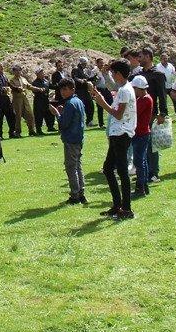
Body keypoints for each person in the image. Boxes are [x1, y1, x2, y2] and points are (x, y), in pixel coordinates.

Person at [91, 60, 135, 220]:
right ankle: (117, 205)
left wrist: (102, 103)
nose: (111, 76)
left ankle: (127, 208)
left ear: (118, 73)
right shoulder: (123, 89)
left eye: (112, 73)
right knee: (109, 168)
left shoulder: (124, 91)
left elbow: (118, 114)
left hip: (122, 134)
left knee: (122, 171)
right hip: (117, 134)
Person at [49, 79, 87, 204]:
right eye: (61, 89)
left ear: (72, 89)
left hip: (71, 138)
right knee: (77, 166)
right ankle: (81, 192)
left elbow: (63, 124)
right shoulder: (78, 101)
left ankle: (75, 195)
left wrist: (57, 113)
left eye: (65, 89)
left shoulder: (70, 103)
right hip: (78, 137)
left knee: (71, 167)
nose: (63, 92)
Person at [129, 76, 153, 198]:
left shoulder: (145, 99)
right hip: (140, 133)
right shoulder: (142, 98)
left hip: (141, 134)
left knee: (139, 162)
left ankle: (140, 188)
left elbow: (134, 112)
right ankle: (144, 186)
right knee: (141, 161)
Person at [7, 65, 35, 137]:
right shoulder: (11, 80)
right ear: (13, 71)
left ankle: (31, 130)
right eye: (16, 70)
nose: (18, 71)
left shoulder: (23, 79)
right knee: (17, 116)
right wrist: (18, 89)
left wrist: (38, 89)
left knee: (30, 114)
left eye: (19, 70)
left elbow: (29, 86)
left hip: (25, 99)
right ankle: (17, 132)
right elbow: (12, 88)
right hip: (17, 100)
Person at [30, 69, 56, 134]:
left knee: (49, 113)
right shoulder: (35, 82)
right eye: (41, 73)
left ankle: (50, 127)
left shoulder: (46, 81)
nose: (43, 74)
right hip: (38, 101)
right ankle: (39, 130)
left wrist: (59, 85)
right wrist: (39, 90)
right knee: (39, 115)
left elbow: (52, 86)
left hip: (46, 100)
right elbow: (33, 90)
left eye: (43, 73)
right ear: (37, 75)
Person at [72, 58, 96, 126]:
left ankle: (89, 121)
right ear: (81, 63)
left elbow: (87, 78)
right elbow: (75, 78)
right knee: (80, 107)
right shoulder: (75, 69)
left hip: (85, 91)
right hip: (79, 91)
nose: (85, 65)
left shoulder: (84, 70)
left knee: (90, 106)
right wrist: (81, 81)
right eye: (85, 63)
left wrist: (94, 78)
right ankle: (79, 123)